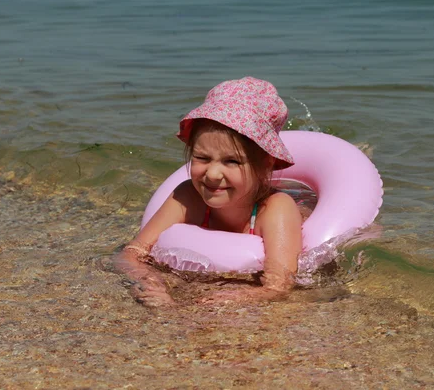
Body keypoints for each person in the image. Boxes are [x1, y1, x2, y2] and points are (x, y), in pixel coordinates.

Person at [110, 77, 303, 307]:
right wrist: (151, 281)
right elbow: (132, 253)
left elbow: (279, 285)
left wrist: (229, 300)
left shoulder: (275, 209)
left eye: (231, 161)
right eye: (202, 158)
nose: (212, 174)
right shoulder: (187, 197)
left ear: (266, 164)